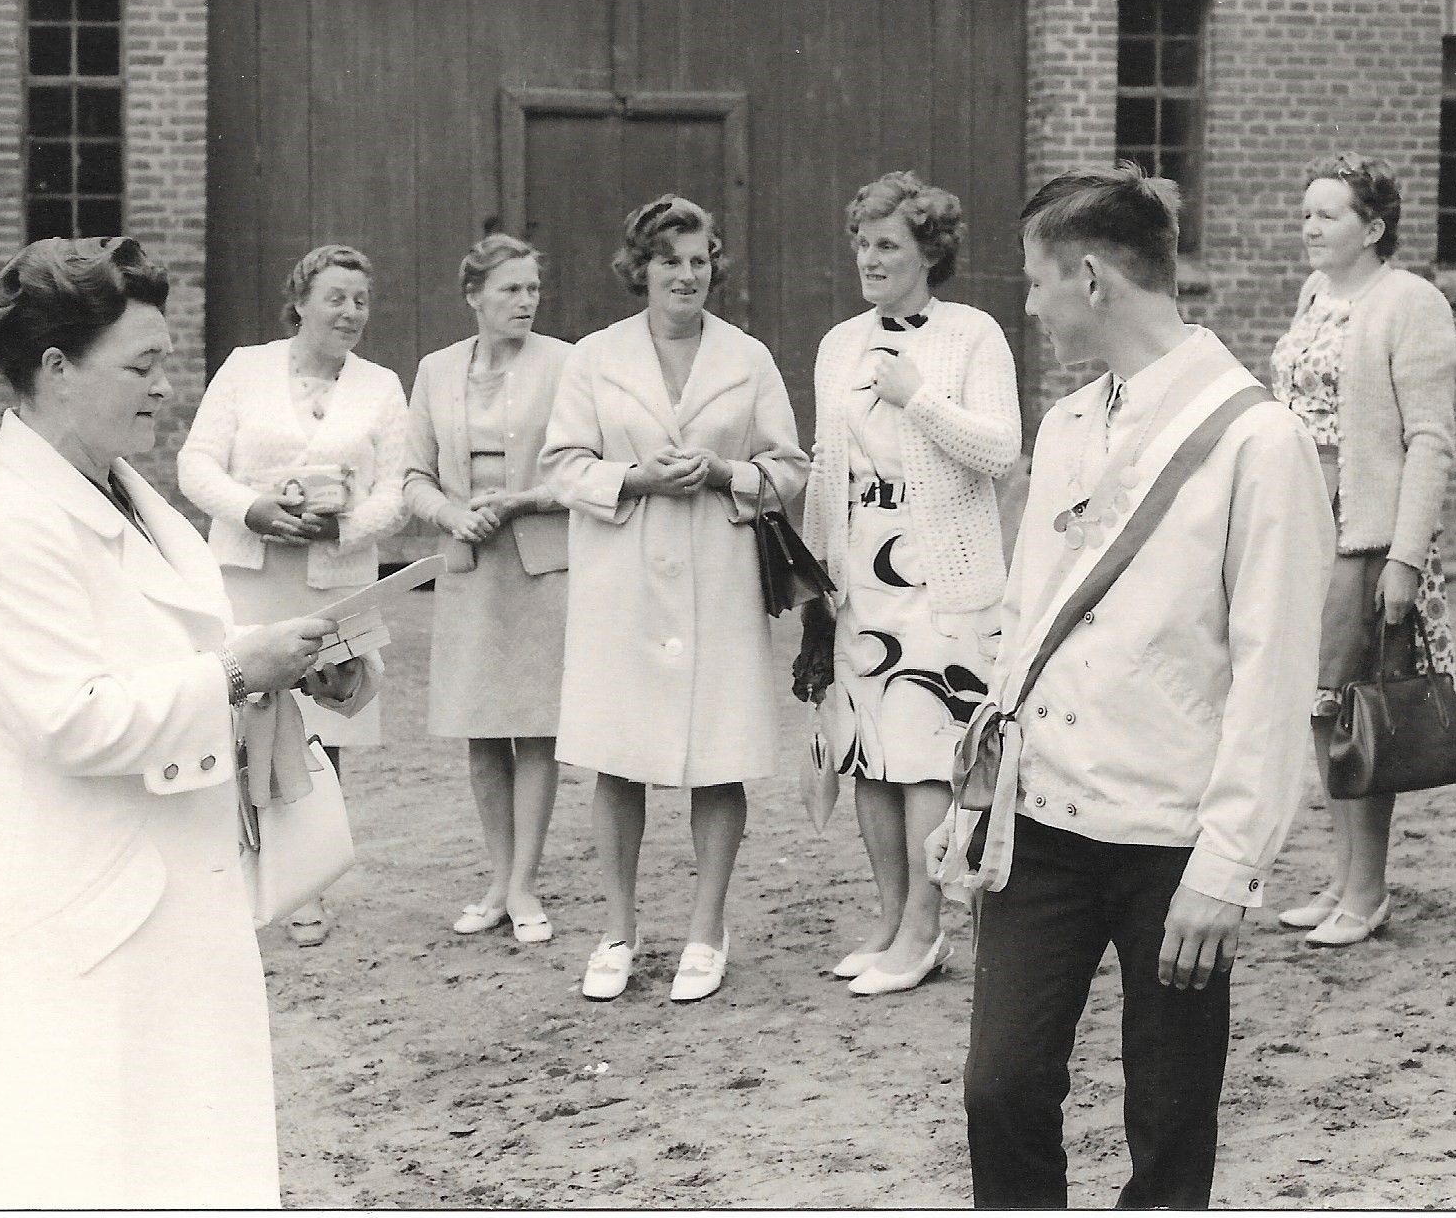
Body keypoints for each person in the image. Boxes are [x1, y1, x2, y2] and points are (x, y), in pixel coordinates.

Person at [0, 237, 353, 1207]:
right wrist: (238, 668)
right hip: (79, 921)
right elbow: (71, 719)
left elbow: (178, 638)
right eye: (143, 366)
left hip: (167, 895)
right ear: (56, 370)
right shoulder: (8, 525)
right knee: (78, 1165)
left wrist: (285, 659)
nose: (168, 387)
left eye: (167, 362)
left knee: (178, 1155)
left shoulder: (126, 487)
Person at [930, 164, 1334, 1207]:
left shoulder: (1259, 440)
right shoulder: (1066, 428)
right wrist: (981, 786)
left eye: (1034, 281)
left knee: (1168, 1118)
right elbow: (1029, 622)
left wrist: (1230, 862)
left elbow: (1274, 672)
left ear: (1095, 278)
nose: (1028, 304)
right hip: (1046, 815)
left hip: (1175, 836)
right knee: (1001, 1086)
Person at [538, 194, 808, 1004]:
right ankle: (618, 929)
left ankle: (704, 928)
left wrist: (730, 473)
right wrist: (634, 478)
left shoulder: (749, 357)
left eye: (698, 260)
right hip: (622, 581)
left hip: (716, 576)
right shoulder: (593, 356)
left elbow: (790, 466)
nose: (686, 276)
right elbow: (561, 464)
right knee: (618, 759)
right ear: (640, 270)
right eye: (669, 261)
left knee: (716, 757)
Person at [800, 171, 1022, 996]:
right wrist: (819, 573)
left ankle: (927, 931)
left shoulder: (971, 337)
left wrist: (919, 397)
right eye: (862, 242)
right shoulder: (839, 344)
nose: (869, 257)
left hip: (942, 575)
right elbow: (829, 469)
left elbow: (1001, 450)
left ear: (930, 251)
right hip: (862, 573)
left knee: (929, 753)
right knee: (868, 750)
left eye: (887, 243)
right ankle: (890, 918)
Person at [178, 244, 409, 946]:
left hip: (334, 579)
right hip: (250, 572)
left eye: (361, 300)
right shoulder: (246, 369)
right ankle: (227, 874)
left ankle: (305, 885)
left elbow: (396, 493)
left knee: (324, 722)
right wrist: (254, 510)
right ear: (301, 299)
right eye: (336, 297)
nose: (350, 312)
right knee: (240, 713)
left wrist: (340, 525)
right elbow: (195, 463)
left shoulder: (381, 385)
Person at [1270, 153, 1456, 948]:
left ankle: (1369, 889)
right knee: (1319, 708)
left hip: (1366, 534)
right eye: (1306, 212)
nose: (1309, 226)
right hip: (1304, 525)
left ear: (1374, 228)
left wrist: (1403, 558)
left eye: (1328, 215)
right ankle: (1343, 874)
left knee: (1361, 711)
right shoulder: (1317, 295)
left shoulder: (1411, 303)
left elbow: (1431, 441)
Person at [405, 234, 572, 943]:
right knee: (481, 728)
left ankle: (526, 883)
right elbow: (412, 475)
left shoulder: (566, 364)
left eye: (532, 288)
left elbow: (583, 467)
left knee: (535, 727)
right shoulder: (436, 370)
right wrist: (451, 513)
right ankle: (498, 878)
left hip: (540, 565)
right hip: (471, 566)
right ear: (474, 295)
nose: (525, 301)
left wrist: (525, 499)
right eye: (510, 289)